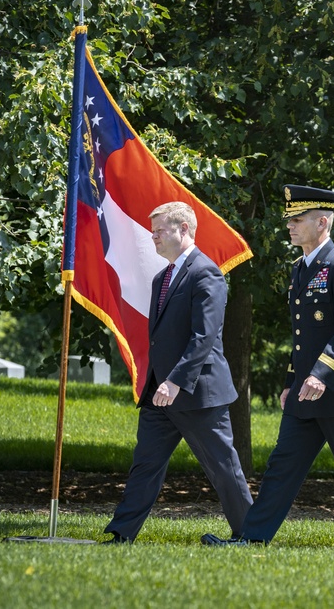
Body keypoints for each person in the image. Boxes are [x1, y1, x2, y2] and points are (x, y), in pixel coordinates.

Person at [201, 185, 334, 551]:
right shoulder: (301, 268)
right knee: (281, 470)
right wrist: (293, 381)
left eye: (297, 219)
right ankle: (251, 539)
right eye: (289, 219)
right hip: (306, 393)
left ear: (323, 222)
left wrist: (321, 375)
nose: (289, 226)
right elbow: (302, 337)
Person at [102, 201, 252, 544]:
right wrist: (160, 381)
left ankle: (250, 534)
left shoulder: (207, 272)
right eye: (152, 231)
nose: (152, 237)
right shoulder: (162, 277)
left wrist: (175, 381)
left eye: (159, 230)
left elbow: (205, 336)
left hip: (198, 392)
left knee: (223, 468)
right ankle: (121, 535)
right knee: (145, 466)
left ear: (184, 230)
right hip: (160, 393)